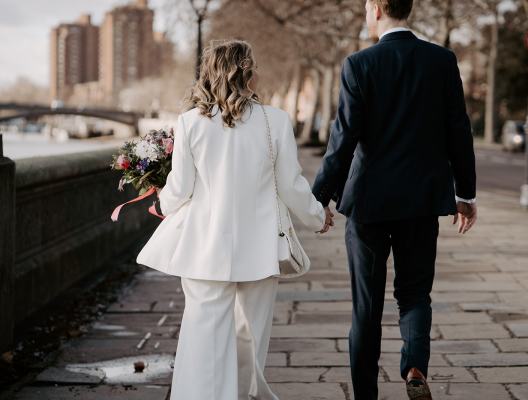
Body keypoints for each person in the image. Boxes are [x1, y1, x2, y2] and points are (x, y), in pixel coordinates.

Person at [137, 40, 334, 400]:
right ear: (247, 73)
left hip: (204, 249)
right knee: (250, 338)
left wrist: (160, 203)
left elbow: (179, 189)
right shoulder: (274, 121)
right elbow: (290, 186)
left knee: (202, 335)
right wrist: (318, 216)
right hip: (259, 250)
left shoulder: (189, 124)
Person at [311, 1, 478, 399]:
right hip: (421, 201)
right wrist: (465, 194)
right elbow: (459, 130)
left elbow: (343, 139)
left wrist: (319, 197)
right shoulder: (441, 60)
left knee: (366, 308)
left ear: (379, 8)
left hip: (369, 203)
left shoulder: (359, 64)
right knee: (415, 293)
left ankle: (366, 394)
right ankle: (415, 366)